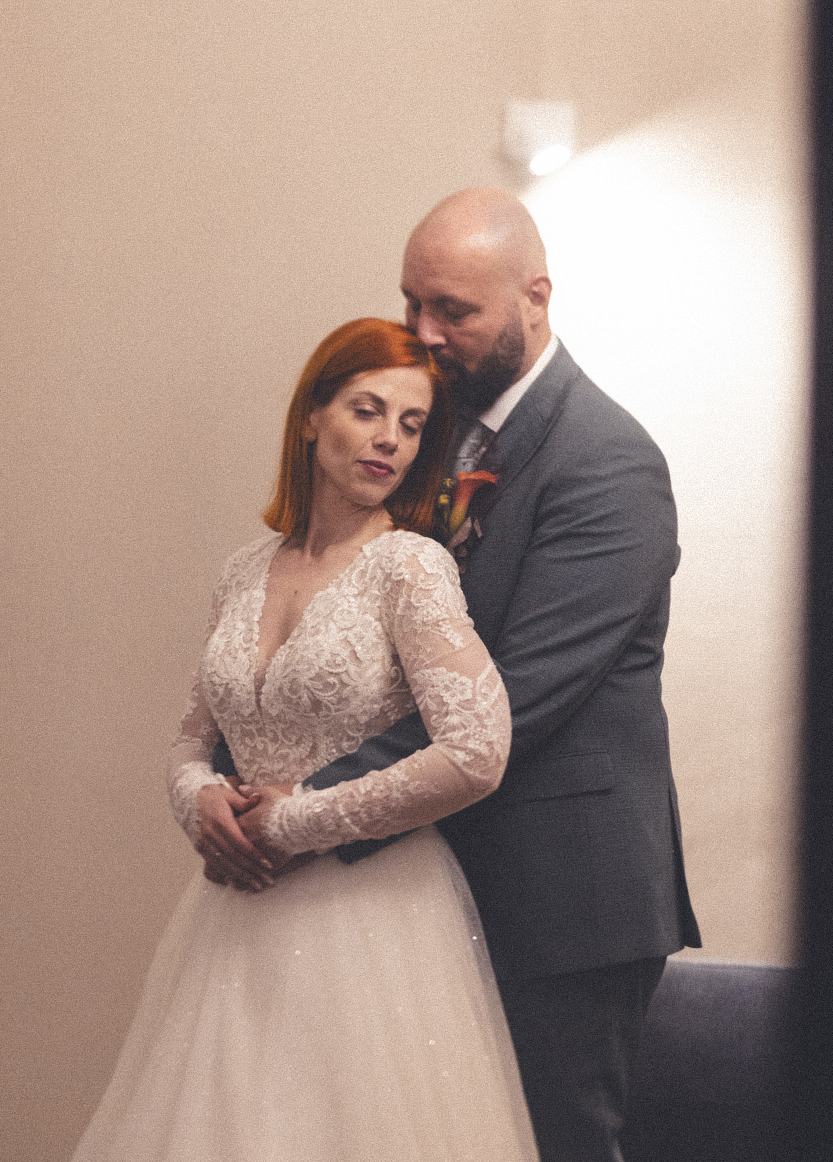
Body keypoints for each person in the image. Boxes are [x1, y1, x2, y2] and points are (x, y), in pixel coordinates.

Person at [202, 189, 702, 1162]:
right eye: (411, 302)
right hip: (411, 893)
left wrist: (300, 809)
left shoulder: (608, 463)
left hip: (559, 902)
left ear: (535, 298)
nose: (423, 334)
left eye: (453, 311)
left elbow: (517, 698)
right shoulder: (430, 433)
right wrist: (234, 778)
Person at [70, 318, 538, 1162]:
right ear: (312, 415)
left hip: (368, 920)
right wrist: (199, 801)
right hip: (234, 920)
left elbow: (477, 751)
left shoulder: (409, 566)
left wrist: (295, 822)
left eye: (411, 425)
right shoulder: (244, 569)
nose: (390, 440)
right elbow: (191, 740)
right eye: (368, 410)